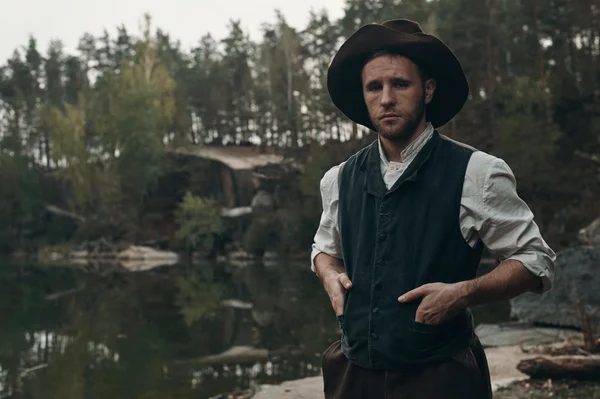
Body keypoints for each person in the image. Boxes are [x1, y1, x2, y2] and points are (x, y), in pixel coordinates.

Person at [311, 19, 556, 399]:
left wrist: (462, 293)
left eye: (400, 84)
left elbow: (535, 260)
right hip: (353, 377)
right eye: (374, 87)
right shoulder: (338, 179)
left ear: (427, 89)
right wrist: (328, 274)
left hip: (442, 379)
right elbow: (324, 249)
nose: (386, 98)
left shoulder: (478, 173)